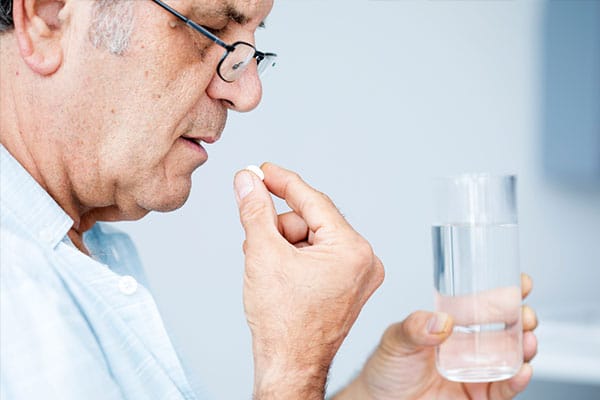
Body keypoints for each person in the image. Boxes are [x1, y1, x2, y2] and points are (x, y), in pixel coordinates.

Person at [0, 0, 538, 398]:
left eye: (254, 45)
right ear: (47, 17)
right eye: (209, 27)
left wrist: (377, 395)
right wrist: (294, 367)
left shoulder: (92, 251)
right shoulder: (13, 284)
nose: (248, 92)